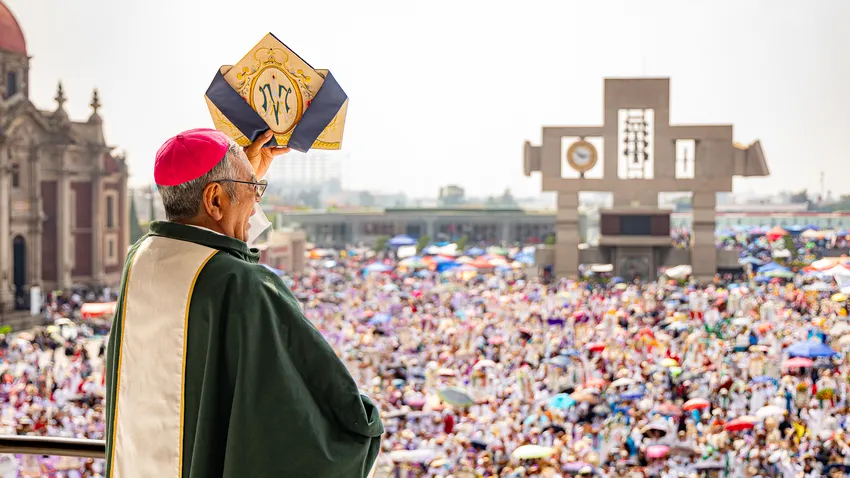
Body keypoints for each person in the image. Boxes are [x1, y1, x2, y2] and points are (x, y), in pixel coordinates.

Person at [104, 128, 383, 478]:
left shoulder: (140, 259)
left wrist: (240, 185)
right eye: (255, 188)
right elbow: (318, 422)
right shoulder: (244, 285)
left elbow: (213, 243)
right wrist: (363, 424)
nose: (257, 200)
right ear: (215, 200)